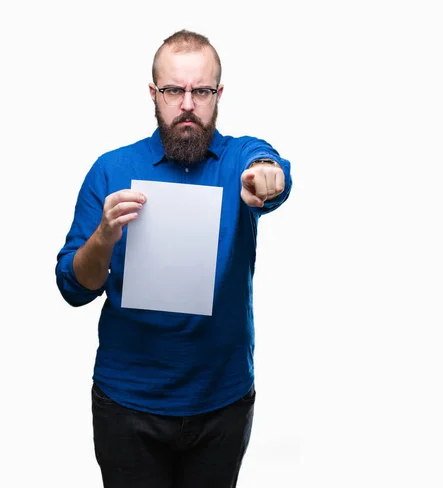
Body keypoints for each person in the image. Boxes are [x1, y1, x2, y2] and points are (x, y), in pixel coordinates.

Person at [55, 29, 292, 488]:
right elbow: (73, 288)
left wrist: (266, 175)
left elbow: (269, 168)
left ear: (218, 94)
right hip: (127, 405)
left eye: (201, 91)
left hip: (222, 401)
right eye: (173, 90)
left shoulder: (237, 158)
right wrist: (104, 236)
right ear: (154, 94)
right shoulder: (112, 168)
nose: (187, 104)